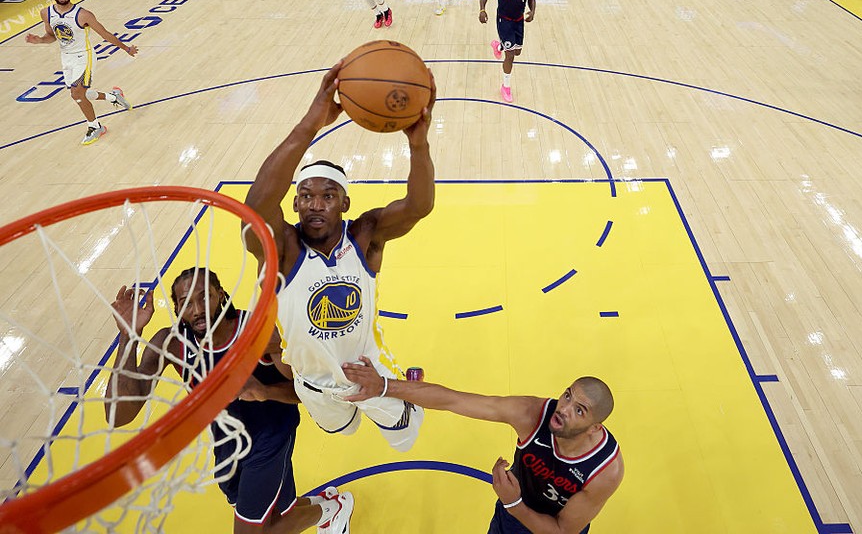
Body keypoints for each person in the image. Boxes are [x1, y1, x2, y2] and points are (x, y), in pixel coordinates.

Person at [242, 65, 437, 456]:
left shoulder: (365, 235)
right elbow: (257, 206)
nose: (316, 204)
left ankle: (406, 397)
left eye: (329, 195)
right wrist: (313, 120)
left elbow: (419, 206)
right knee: (342, 432)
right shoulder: (282, 247)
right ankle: (344, 415)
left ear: (345, 203)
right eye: (307, 195)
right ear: (294, 202)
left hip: (372, 374)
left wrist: (418, 144)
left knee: (404, 438)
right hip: (314, 383)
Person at [104, 269, 354, 533]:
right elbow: (118, 415)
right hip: (228, 441)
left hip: (273, 435)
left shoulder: (261, 333)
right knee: (277, 512)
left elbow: (304, 394)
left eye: (205, 297)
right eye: (187, 303)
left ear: (221, 295)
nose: (198, 309)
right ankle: (328, 507)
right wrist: (128, 335)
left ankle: (334, 510)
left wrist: (265, 392)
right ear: (177, 309)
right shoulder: (172, 344)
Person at [342, 360, 624, 534]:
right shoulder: (531, 413)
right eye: (567, 396)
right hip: (512, 516)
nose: (563, 408)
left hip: (535, 516)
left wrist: (513, 502)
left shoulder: (606, 471)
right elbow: (454, 400)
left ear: (594, 428)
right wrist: (383, 386)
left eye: (579, 410)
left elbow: (563, 530)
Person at [25, 0, 136, 146]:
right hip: (66, 57)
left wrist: (126, 48)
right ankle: (114, 97)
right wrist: (40, 40)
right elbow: (51, 36)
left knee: (77, 94)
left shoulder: (83, 14)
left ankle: (95, 126)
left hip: (84, 56)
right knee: (80, 95)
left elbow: (105, 34)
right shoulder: (46, 13)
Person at [479, 0, 536, 104]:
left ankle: (498, 46)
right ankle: (506, 86)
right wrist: (482, 10)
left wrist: (533, 11)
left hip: (519, 21)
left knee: (517, 52)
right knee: (510, 56)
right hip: (504, 20)